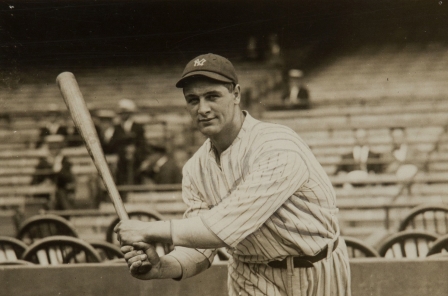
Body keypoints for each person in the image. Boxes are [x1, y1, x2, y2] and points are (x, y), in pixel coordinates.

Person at [114, 53, 351, 296]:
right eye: (193, 100)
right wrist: (163, 266)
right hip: (250, 274)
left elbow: (225, 226)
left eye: (212, 96)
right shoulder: (195, 169)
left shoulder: (277, 144)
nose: (203, 109)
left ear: (236, 94)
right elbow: (201, 250)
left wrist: (148, 230)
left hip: (317, 268)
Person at [31, 134, 76, 210]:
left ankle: (69, 214)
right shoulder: (43, 162)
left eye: (56, 147)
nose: (54, 150)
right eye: (52, 147)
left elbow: (69, 178)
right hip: (45, 193)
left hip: (62, 192)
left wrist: (58, 170)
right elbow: (35, 180)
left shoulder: (65, 161)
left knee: (61, 195)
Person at [109, 99, 147, 186]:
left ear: (130, 113)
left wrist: (135, 152)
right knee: (121, 181)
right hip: (121, 161)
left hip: (136, 161)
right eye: (121, 113)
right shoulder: (117, 128)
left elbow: (142, 144)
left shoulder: (138, 127)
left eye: (125, 113)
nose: (122, 115)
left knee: (136, 180)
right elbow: (112, 144)